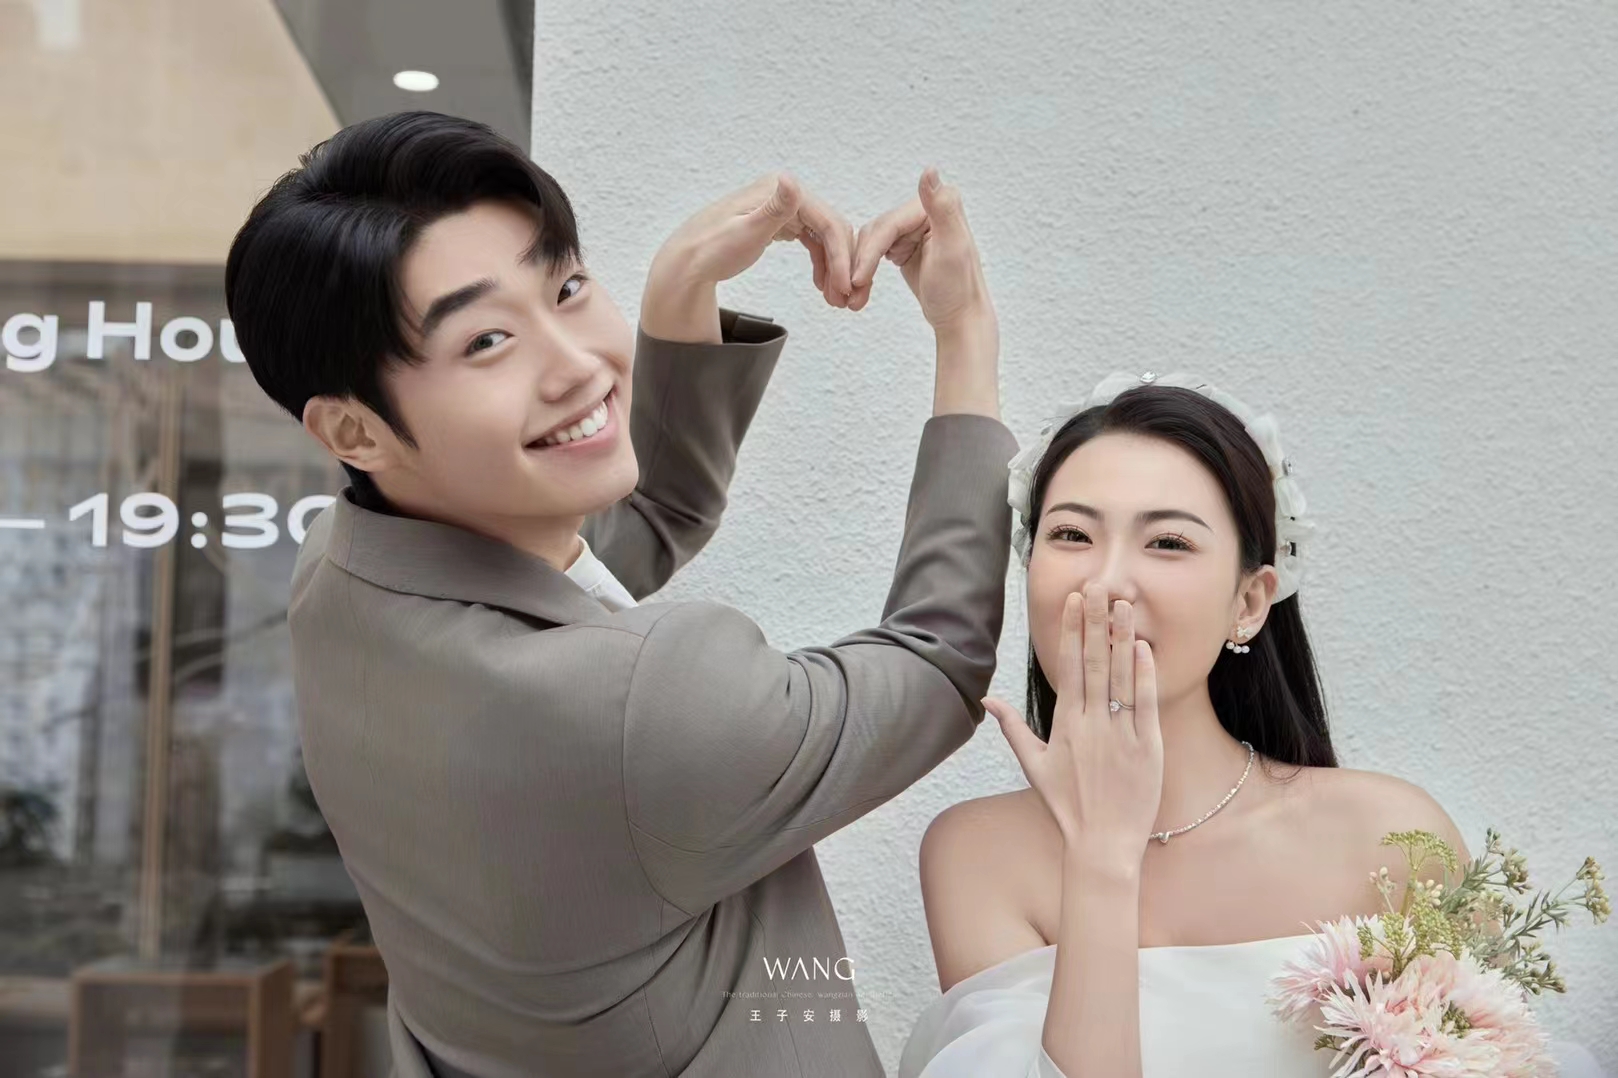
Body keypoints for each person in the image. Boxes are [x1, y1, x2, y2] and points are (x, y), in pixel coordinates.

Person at [225, 110, 1016, 1077]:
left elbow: (645, 517)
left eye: (566, 287)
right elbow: (936, 662)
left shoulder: (343, 573)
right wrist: (965, 331)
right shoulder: (643, 708)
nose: (577, 364)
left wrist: (681, 282)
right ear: (355, 432)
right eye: (486, 341)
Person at [900, 373, 1610, 1077]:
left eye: (1167, 542)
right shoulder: (978, 856)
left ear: (1249, 602)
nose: (1106, 582)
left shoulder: (1389, 837)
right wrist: (1102, 855)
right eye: (1071, 534)